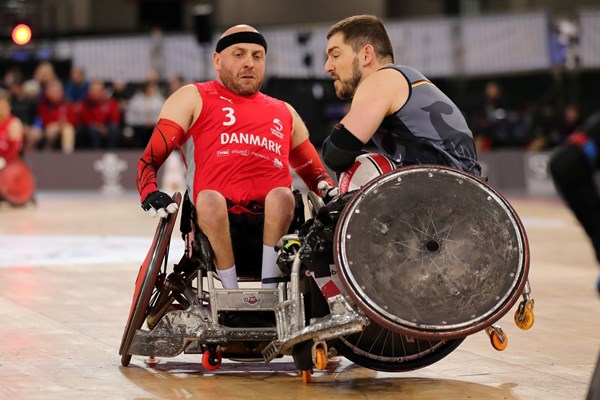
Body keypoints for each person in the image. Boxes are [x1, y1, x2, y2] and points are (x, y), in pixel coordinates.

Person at [136, 24, 333, 290]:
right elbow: (149, 159)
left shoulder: (284, 111)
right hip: (212, 221)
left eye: (257, 56)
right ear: (217, 60)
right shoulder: (193, 97)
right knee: (209, 198)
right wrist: (149, 191)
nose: (249, 63)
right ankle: (231, 294)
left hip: (275, 222)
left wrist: (331, 194)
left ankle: (269, 292)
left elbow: (316, 176)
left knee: (283, 195)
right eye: (239, 54)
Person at [320, 15, 479, 177]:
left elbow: (336, 154)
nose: (327, 67)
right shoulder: (405, 77)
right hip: (464, 185)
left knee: (362, 171)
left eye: (336, 55)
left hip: (448, 189)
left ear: (366, 55)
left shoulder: (380, 81)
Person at [0, 90, 24, 171]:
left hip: (9, 164)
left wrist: (4, 161)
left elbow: (14, 149)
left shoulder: (14, 123)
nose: (1, 110)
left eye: (4, 107)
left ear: (9, 107)